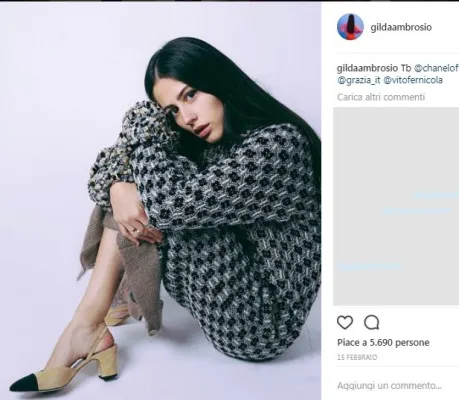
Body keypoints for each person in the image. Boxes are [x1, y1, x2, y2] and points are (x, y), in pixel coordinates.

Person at [9, 36, 321, 393]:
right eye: (171, 111)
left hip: (259, 324)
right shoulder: (210, 145)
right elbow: (104, 177)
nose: (187, 118)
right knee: (142, 179)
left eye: (190, 95)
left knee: (157, 185)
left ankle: (93, 319)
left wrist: (138, 138)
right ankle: (95, 317)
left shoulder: (279, 145)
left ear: (219, 80)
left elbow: (171, 205)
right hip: (223, 294)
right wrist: (118, 186)